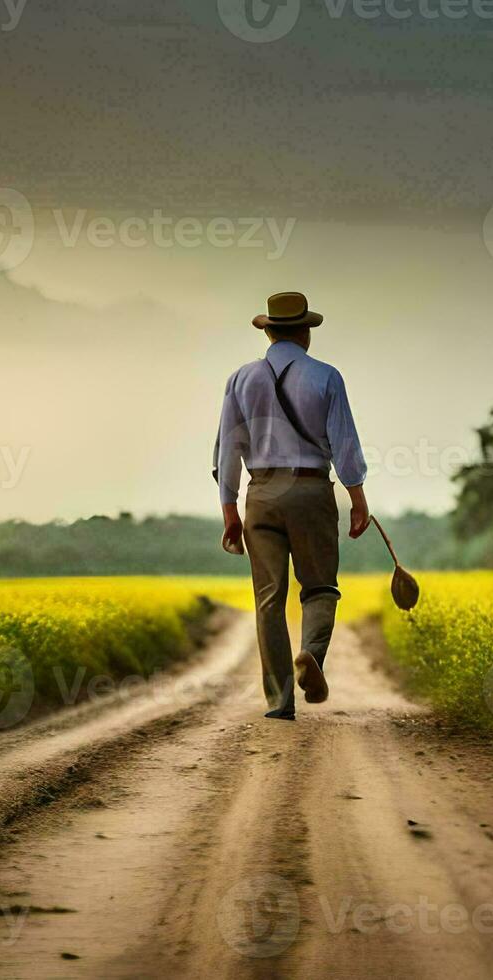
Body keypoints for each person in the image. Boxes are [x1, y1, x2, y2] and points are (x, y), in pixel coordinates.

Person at [213, 291, 370, 720]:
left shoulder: (241, 379)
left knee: (268, 599)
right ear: (305, 332)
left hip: (260, 494)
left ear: (268, 332)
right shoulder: (326, 376)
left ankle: (279, 702)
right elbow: (345, 444)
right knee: (319, 587)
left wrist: (229, 508)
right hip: (310, 489)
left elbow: (229, 448)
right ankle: (312, 656)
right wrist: (357, 499)